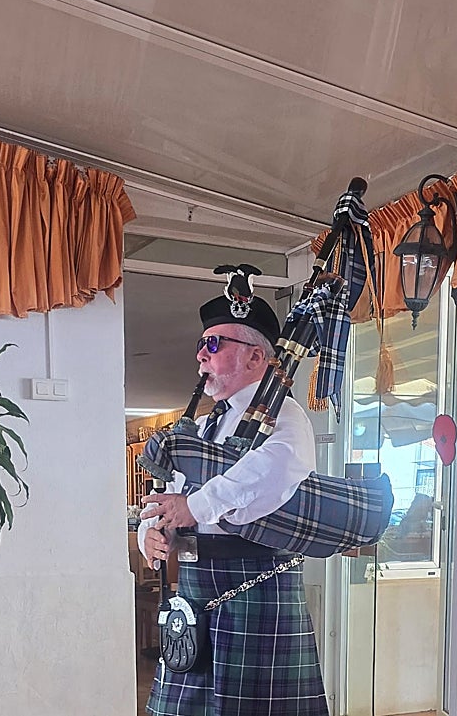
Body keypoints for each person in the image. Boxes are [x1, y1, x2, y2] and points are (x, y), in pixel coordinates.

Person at [138, 271, 329, 716]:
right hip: (196, 589)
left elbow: (272, 469)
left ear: (255, 357)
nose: (201, 355)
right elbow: (169, 491)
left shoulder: (286, 418)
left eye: (214, 344)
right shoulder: (204, 425)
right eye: (202, 344)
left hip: (255, 588)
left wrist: (196, 506)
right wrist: (152, 528)